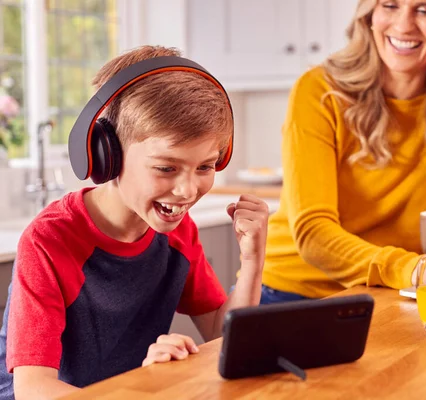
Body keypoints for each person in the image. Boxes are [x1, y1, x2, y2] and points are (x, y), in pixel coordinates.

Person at [0, 45, 269, 399]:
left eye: (205, 166)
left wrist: (252, 261)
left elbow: (222, 338)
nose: (188, 190)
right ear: (106, 156)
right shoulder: (50, 240)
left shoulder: (177, 232)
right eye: (166, 168)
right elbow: (33, 389)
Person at [260, 0, 426, 303]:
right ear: (370, 15)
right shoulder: (319, 90)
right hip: (295, 293)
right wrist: (413, 268)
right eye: (389, 5)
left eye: (424, 10)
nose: (403, 25)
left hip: (395, 292)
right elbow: (312, 234)